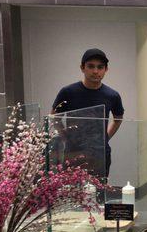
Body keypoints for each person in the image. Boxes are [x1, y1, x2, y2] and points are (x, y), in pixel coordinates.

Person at [51, 48, 124, 177]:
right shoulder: (68, 92)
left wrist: (105, 137)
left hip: (99, 152)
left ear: (106, 70)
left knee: (99, 191)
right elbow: (54, 117)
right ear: (82, 67)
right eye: (91, 66)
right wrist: (65, 137)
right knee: (72, 192)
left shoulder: (112, 95)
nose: (95, 71)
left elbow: (118, 118)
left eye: (100, 67)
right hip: (73, 152)